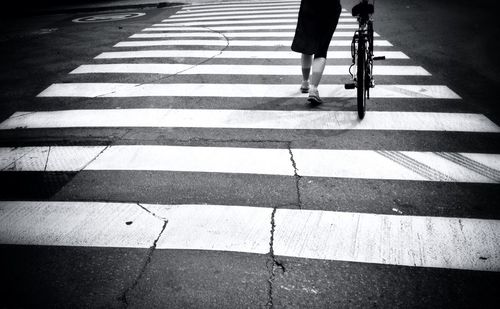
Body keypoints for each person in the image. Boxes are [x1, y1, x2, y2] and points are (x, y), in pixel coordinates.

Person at [291, 0, 342, 104]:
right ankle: (313, 89)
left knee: (307, 44)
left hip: (309, 4)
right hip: (330, 6)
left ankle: (305, 83)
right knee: (321, 48)